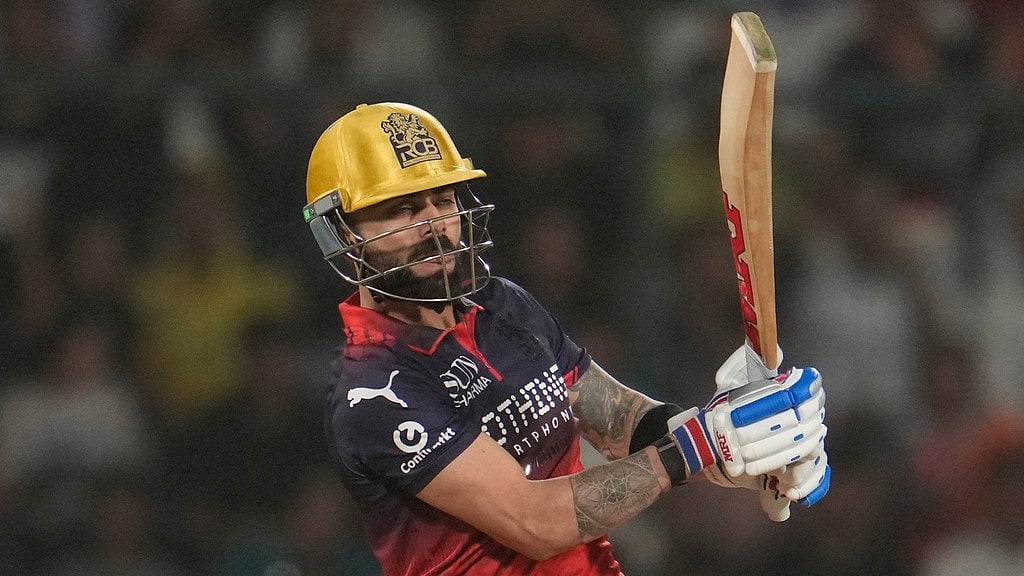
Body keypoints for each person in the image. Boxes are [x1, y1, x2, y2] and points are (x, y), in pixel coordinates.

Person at [301, 102, 831, 575]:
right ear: (344, 233)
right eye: (401, 209)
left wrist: (734, 437)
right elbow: (536, 522)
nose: (434, 224)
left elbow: (621, 424)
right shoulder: (373, 389)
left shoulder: (502, 305)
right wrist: (699, 447)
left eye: (443, 200)